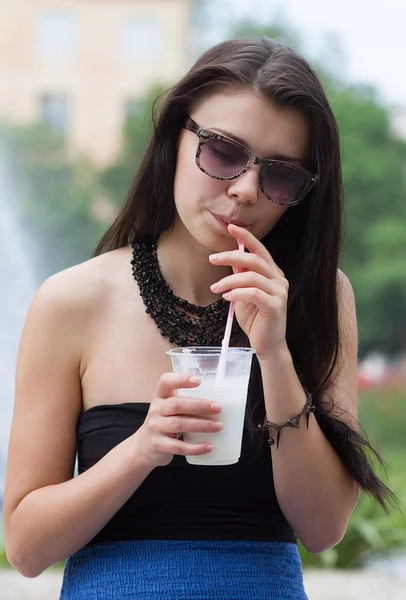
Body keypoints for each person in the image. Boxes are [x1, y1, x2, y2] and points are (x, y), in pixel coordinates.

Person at [3, 37, 394, 599]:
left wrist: (275, 357)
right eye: (223, 152)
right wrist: (142, 448)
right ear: (172, 140)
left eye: (280, 176)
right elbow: (26, 546)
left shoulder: (320, 296)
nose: (244, 190)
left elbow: (323, 527)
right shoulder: (73, 301)